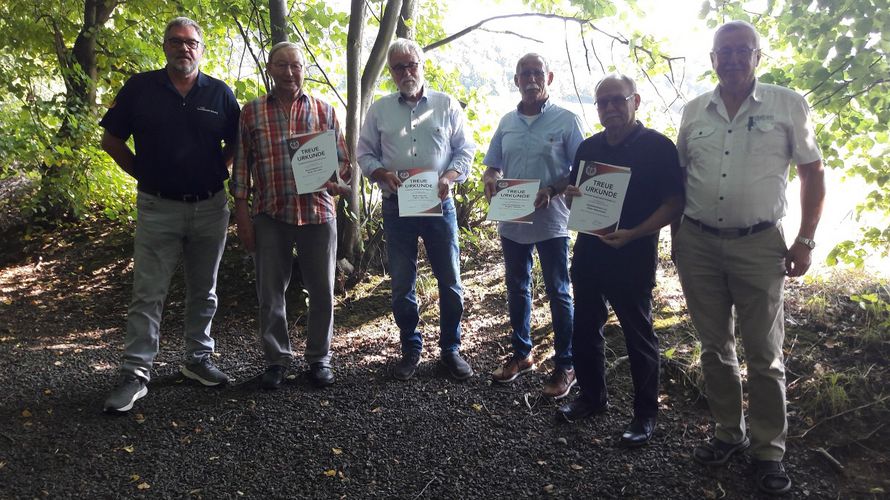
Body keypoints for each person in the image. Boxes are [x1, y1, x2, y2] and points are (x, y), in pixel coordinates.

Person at [674, 21, 825, 495]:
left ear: (758, 57)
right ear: (712, 57)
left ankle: (768, 451)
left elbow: (812, 173)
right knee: (715, 349)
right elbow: (679, 177)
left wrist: (806, 239)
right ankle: (728, 434)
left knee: (765, 354)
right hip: (697, 244)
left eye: (743, 51)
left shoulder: (786, 104)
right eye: (725, 51)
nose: (734, 59)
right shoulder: (694, 110)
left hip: (760, 246)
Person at [99, 17, 240, 412]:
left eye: (192, 42)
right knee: (148, 292)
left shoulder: (220, 94)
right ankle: (136, 372)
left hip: (211, 207)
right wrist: (142, 172)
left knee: (204, 289)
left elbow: (237, 145)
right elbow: (110, 140)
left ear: (202, 48)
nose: (184, 48)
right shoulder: (140, 89)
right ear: (165, 46)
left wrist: (219, 170)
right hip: (157, 206)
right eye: (176, 42)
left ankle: (197, 360)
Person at [555, 74, 684, 448]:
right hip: (589, 252)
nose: (610, 108)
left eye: (617, 100)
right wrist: (570, 195)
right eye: (603, 102)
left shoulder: (658, 147)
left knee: (638, 334)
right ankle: (591, 398)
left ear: (636, 100)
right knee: (585, 329)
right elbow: (572, 199)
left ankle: (645, 415)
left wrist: (634, 232)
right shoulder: (588, 148)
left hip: (633, 254)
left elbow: (674, 204)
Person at [230, 42, 351, 390]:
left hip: (317, 213)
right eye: (281, 66)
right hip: (271, 213)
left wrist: (338, 182)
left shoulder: (324, 111)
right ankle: (276, 360)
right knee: (270, 291)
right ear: (270, 69)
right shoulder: (251, 112)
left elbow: (343, 162)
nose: (289, 73)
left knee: (322, 290)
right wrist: (242, 215)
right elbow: (242, 167)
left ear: (303, 69)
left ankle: (319, 359)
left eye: (295, 66)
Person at [357, 38, 476, 381]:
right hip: (397, 206)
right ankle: (411, 348)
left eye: (412, 64)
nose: (407, 71)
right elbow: (365, 154)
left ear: (422, 65)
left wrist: (451, 178)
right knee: (401, 283)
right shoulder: (379, 110)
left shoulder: (446, 104)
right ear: (391, 72)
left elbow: (464, 150)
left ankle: (450, 350)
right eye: (399, 67)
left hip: (439, 203)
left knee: (450, 280)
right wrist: (381, 173)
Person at [482, 53, 583, 399]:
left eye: (537, 72)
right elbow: (493, 165)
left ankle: (566, 364)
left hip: (552, 220)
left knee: (559, 290)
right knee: (517, 287)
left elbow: (580, 171)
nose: (530, 78)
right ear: (515, 79)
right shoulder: (507, 122)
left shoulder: (567, 120)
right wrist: (489, 178)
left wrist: (553, 190)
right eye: (524, 73)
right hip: (513, 221)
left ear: (549, 77)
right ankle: (522, 354)